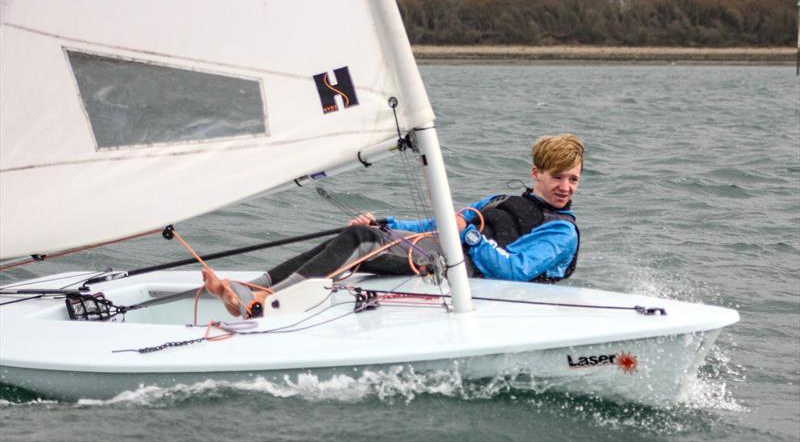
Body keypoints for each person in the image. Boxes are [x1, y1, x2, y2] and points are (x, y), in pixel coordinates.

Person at [204, 133, 584, 317]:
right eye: (558, 177)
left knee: (360, 242)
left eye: (573, 180)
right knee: (355, 238)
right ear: (536, 172)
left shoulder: (560, 230)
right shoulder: (503, 201)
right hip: (442, 250)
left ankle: (263, 303)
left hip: (470, 274)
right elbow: (436, 222)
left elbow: (515, 271)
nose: (565, 187)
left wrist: (464, 233)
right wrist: (387, 222)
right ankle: (255, 287)